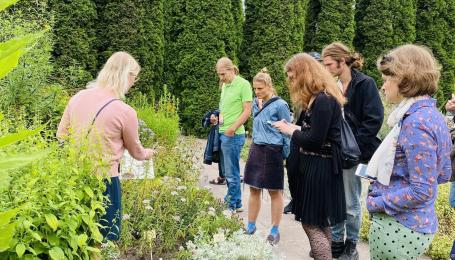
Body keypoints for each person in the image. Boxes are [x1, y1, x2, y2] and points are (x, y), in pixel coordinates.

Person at [57, 52, 155, 242]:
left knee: (75, 235)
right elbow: (136, 152)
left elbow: (61, 136)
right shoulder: (125, 111)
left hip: (74, 177)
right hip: (105, 181)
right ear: (126, 75)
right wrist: (148, 154)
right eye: (134, 77)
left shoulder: (77, 97)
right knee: (103, 237)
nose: (134, 82)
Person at [366, 44, 451, 259]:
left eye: (387, 79)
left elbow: (423, 190)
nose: (383, 87)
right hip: (413, 223)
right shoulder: (431, 115)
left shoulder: (416, 122)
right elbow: (443, 173)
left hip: (400, 225)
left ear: (405, 78)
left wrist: (377, 202)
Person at [274, 53, 346, 259]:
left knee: (312, 223)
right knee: (320, 223)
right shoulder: (315, 99)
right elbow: (314, 132)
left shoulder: (324, 100)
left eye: (292, 76)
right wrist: (293, 127)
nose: (290, 81)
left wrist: (290, 131)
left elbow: (315, 140)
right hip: (313, 165)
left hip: (320, 167)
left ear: (305, 74)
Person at [322, 42, 384, 259]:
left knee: (350, 200)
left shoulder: (365, 83)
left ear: (342, 61)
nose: (326, 68)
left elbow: (374, 120)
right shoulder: (331, 85)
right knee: (334, 198)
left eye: (329, 64)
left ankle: (352, 244)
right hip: (332, 151)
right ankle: (336, 241)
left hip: (354, 154)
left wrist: (353, 146)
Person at [243, 68, 291, 245]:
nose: (257, 92)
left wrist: (285, 154)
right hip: (257, 148)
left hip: (273, 150)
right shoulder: (256, 103)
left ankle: (274, 230)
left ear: (269, 86)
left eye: (260, 89)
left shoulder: (281, 105)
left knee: (274, 191)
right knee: (254, 189)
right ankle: (250, 226)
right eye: (255, 89)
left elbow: (287, 132)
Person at [210, 57, 252, 212]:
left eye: (223, 74)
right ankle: (238, 204)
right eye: (219, 75)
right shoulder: (225, 86)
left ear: (231, 70)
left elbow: (247, 111)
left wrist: (232, 128)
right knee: (228, 171)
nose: (221, 78)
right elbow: (225, 109)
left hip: (233, 135)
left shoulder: (244, 84)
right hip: (222, 131)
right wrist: (216, 119)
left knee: (231, 173)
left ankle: (229, 205)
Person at [284, 51, 322, 215]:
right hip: (297, 132)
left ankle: (303, 203)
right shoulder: (301, 88)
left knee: (306, 173)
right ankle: (296, 200)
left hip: (308, 135)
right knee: (292, 168)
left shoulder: (322, 91)